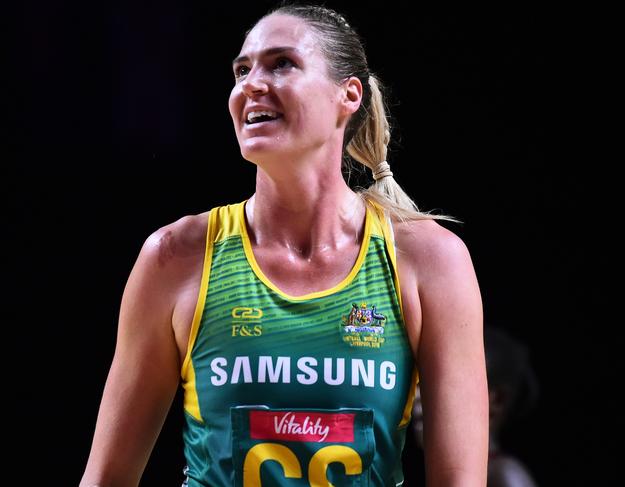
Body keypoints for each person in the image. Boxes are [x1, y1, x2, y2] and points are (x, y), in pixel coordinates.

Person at [80, 3, 488, 486]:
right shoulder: (175, 257)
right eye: (241, 70)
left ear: (348, 95)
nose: (250, 84)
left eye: (282, 64)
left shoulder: (429, 260)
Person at [411, 325, 539, 486]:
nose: (417, 395)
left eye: (445, 382)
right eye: (420, 382)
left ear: (496, 400)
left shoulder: (504, 476)